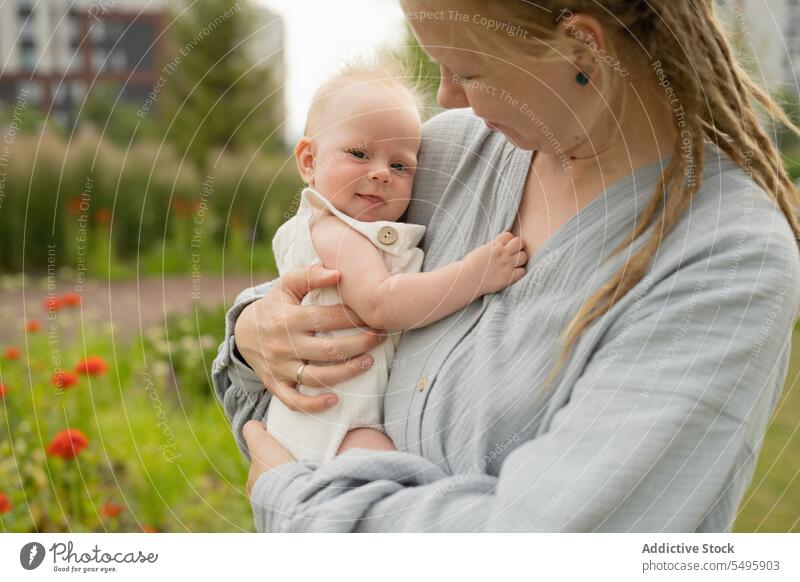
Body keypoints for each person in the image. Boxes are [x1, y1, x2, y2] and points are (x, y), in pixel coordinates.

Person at [212, 0, 800, 532]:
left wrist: (294, 500)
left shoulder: (725, 261)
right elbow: (323, 286)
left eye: (468, 72)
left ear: (582, 49)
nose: (445, 97)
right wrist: (253, 331)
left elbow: (545, 540)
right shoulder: (445, 155)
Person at [265, 59, 527, 464]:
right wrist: (474, 275)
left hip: (334, 415)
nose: (381, 173)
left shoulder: (342, 226)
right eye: (358, 153)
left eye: (400, 165)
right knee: (393, 477)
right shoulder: (335, 232)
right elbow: (382, 303)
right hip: (335, 424)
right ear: (308, 161)